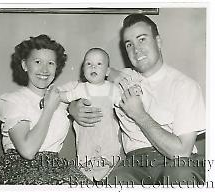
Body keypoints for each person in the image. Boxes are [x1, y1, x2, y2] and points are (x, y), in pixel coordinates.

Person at [68, 14, 205, 185]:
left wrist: (139, 114)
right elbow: (76, 89)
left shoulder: (185, 86)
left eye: (142, 39)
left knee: (179, 173)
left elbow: (181, 154)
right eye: (129, 44)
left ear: (158, 42)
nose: (136, 49)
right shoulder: (120, 80)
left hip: (177, 163)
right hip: (135, 164)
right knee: (117, 180)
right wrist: (73, 108)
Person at [0, 34, 90, 185]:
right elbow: (28, 151)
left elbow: (95, 81)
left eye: (50, 63)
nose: (44, 69)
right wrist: (48, 109)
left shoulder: (60, 97)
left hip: (56, 168)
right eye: (37, 61)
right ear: (25, 65)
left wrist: (73, 106)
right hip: (20, 169)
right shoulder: (11, 100)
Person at [58, 48, 122, 181]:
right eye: (89, 64)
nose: (93, 66)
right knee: (85, 159)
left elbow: (124, 104)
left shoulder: (112, 88)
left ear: (107, 71)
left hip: (106, 134)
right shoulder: (81, 88)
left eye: (99, 64)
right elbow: (66, 96)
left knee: (110, 158)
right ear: (83, 70)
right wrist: (55, 96)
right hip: (87, 135)